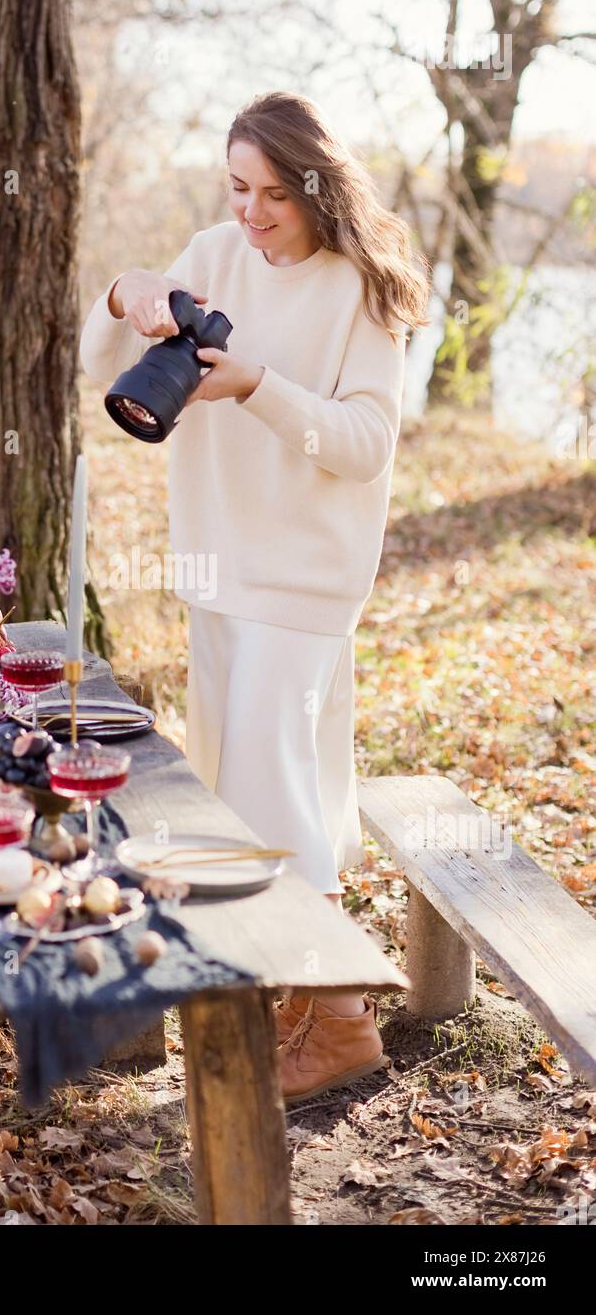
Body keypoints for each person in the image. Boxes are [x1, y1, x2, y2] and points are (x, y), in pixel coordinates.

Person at [79, 90, 431, 1101]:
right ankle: (301, 986)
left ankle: (343, 1019)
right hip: (217, 568)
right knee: (250, 791)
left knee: (278, 787)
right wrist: (125, 291)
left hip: (303, 576)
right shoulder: (212, 252)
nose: (249, 211)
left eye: (272, 193)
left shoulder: (360, 289)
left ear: (317, 189)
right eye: (237, 187)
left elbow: (363, 447)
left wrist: (257, 388)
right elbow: (103, 368)